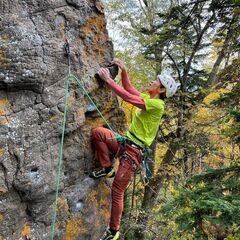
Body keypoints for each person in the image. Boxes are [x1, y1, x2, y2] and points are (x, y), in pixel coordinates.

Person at [90, 59, 179, 240]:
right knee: (98, 133)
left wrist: (109, 81)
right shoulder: (150, 98)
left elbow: (128, 98)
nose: (151, 82)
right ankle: (107, 168)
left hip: (133, 153)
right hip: (125, 143)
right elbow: (130, 90)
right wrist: (124, 71)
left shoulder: (158, 105)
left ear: (161, 90)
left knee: (117, 190)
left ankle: (114, 231)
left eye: (156, 81)